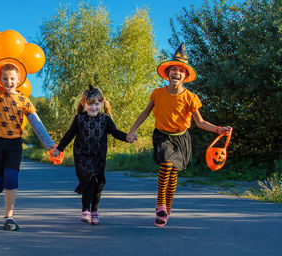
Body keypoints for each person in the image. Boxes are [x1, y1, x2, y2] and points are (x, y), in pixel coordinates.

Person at [126, 43, 232, 227]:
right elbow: (145, 113)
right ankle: (160, 203)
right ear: (167, 73)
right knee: (166, 164)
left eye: (181, 70)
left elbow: (200, 122)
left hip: (181, 137)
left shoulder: (190, 98)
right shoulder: (157, 93)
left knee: (173, 173)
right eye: (173, 69)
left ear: (185, 75)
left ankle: (168, 206)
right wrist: (133, 130)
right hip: (162, 135)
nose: (177, 73)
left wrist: (218, 129)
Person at [0, 57, 56, 231]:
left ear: (18, 79)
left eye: (12, 79)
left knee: (11, 179)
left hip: (14, 144)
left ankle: (9, 217)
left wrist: (50, 146)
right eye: (5, 79)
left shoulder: (24, 101)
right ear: (0, 80)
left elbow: (37, 125)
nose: (9, 82)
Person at [51, 85, 131, 225]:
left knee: (98, 183)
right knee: (88, 180)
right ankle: (85, 211)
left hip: (99, 156)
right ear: (84, 104)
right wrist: (60, 148)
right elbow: (70, 134)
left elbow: (115, 132)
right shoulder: (79, 119)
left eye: (97, 104)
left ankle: (94, 211)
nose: (94, 107)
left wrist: (127, 137)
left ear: (102, 104)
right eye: (90, 104)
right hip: (82, 155)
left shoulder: (105, 119)